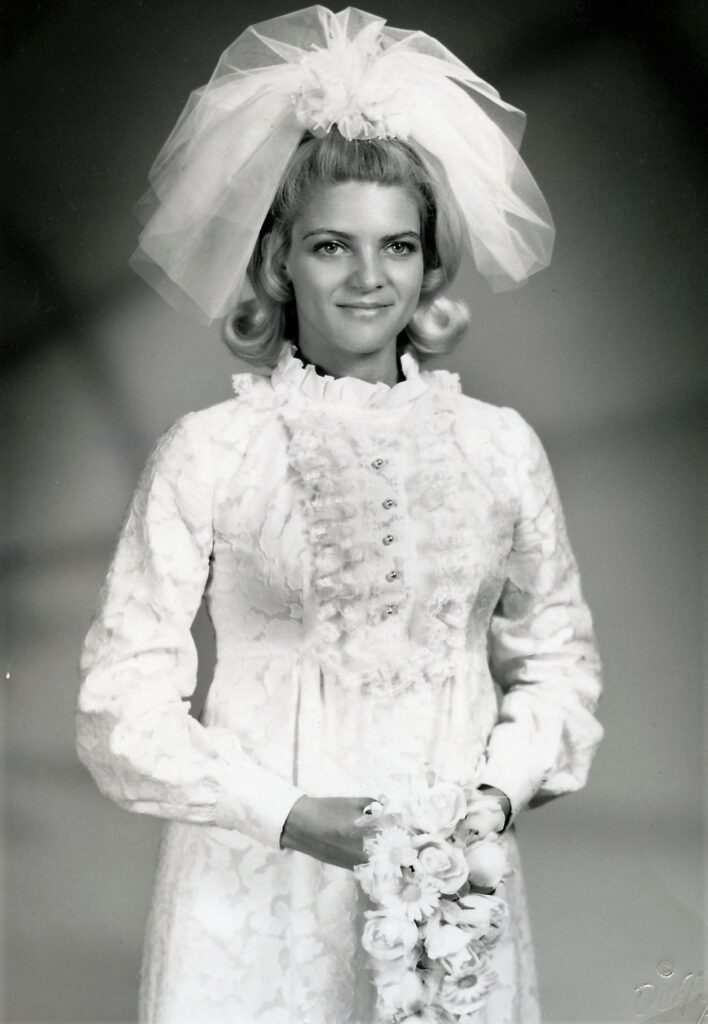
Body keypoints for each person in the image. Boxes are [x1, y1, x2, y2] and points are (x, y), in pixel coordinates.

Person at [75, 7, 604, 1023]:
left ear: (427, 262)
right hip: (252, 895)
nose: (369, 279)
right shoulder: (212, 452)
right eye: (332, 245)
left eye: (396, 245)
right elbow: (120, 702)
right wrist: (285, 815)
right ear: (279, 262)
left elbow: (557, 661)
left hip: (449, 895)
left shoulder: (498, 449)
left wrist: (490, 800)